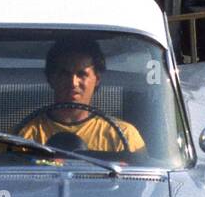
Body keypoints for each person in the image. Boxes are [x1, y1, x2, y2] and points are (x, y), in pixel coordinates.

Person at [17, 36, 145, 154]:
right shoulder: (24, 136)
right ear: (51, 78)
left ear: (97, 79)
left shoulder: (124, 137)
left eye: (82, 74)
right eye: (64, 74)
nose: (73, 83)